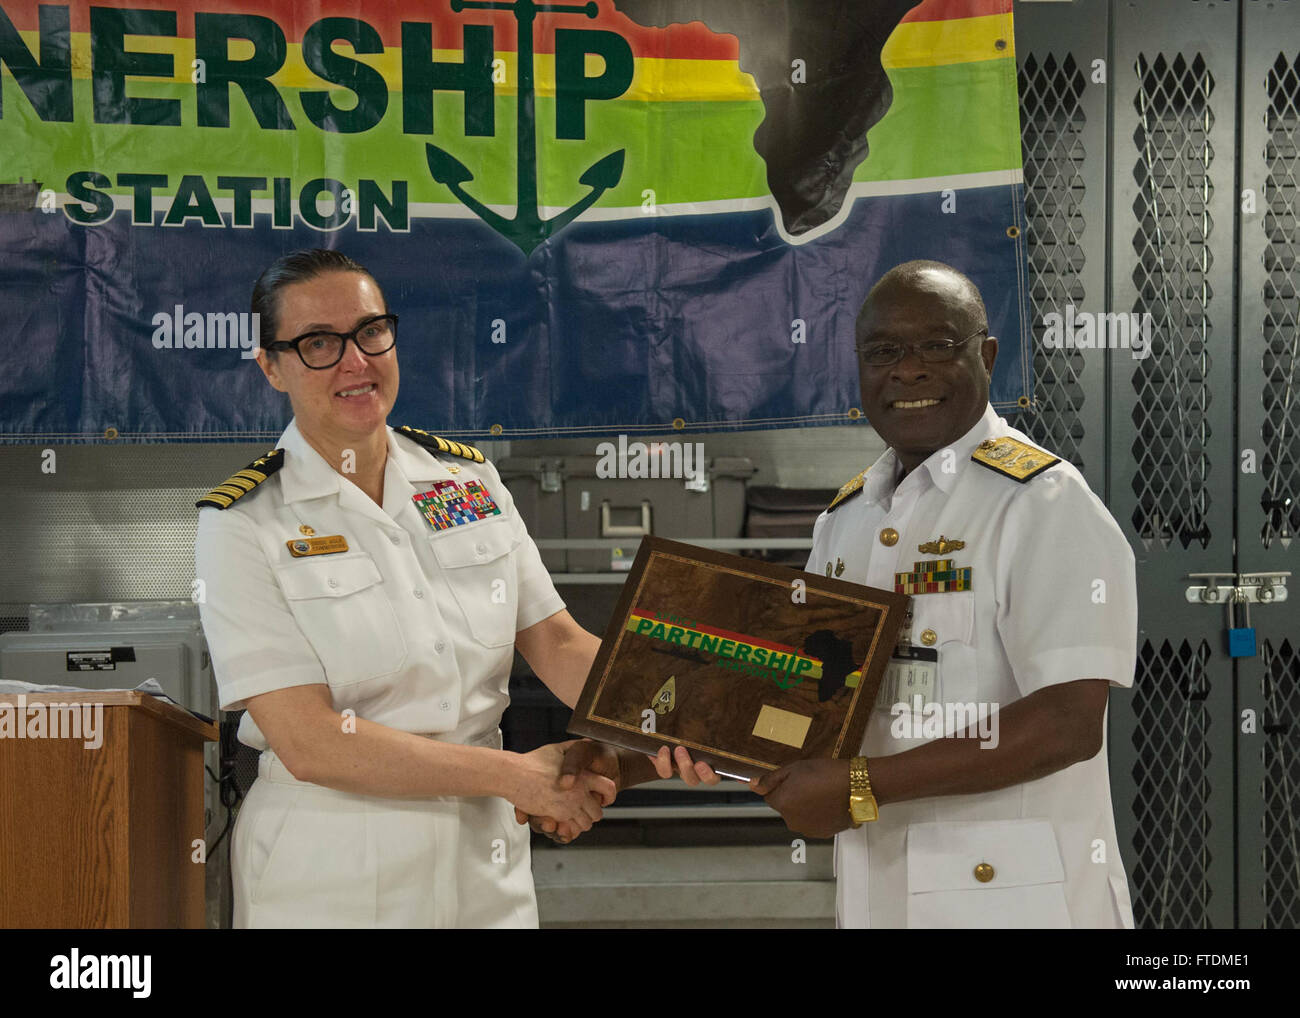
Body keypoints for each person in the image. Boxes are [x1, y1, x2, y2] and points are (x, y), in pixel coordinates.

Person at [195, 248, 695, 928]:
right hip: (331, 873)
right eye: (318, 343)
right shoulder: (245, 523)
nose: (356, 361)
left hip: (483, 866)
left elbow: (555, 640)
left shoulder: (465, 483)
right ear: (272, 366)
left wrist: (687, 718)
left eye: (371, 331)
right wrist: (517, 778)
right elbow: (310, 740)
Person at [747, 260, 1137, 928]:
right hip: (880, 893)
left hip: (1015, 902)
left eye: (937, 345)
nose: (908, 370)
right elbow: (811, 696)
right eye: (885, 352)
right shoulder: (845, 520)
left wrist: (861, 786)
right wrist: (636, 758)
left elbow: (1068, 724)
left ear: (986, 355)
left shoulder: (1044, 504)